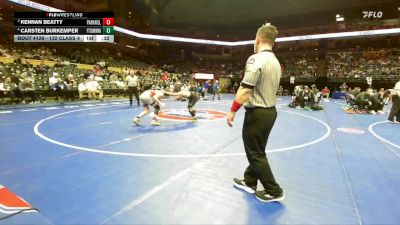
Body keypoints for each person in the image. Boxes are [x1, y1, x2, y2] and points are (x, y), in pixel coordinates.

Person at [227, 23, 284, 202]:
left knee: (255, 153)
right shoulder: (276, 62)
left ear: (258, 39)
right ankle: (250, 181)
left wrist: (232, 110)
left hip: (257, 113)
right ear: (272, 42)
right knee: (257, 150)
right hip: (270, 112)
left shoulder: (255, 59)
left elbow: (245, 90)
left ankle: (274, 191)